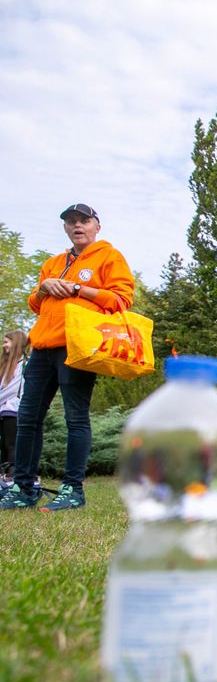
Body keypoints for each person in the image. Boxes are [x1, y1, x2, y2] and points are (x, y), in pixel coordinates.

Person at [1, 203, 135, 512]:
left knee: (75, 417)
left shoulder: (109, 257)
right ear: (65, 228)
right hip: (41, 348)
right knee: (27, 419)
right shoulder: (53, 262)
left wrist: (78, 288)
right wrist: (43, 289)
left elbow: (121, 299)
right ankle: (24, 488)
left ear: (96, 226)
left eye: (84, 220)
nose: (77, 225)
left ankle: (73, 489)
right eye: (71, 221)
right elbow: (36, 305)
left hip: (77, 346)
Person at [0, 330, 29, 486]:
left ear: (16, 342)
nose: (4, 345)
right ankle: (3, 476)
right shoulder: (6, 366)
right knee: (4, 445)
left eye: (6, 342)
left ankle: (12, 476)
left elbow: (12, 389)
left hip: (14, 409)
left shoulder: (24, 364)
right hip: (3, 410)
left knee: (12, 445)